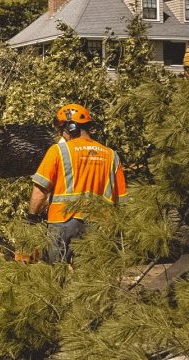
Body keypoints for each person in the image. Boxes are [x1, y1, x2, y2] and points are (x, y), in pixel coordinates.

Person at [28, 103, 127, 263]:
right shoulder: (112, 156)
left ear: (71, 127)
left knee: (55, 276)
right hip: (100, 224)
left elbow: (40, 189)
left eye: (62, 129)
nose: (62, 134)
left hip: (63, 221)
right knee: (91, 279)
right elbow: (122, 199)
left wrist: (32, 216)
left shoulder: (58, 150)